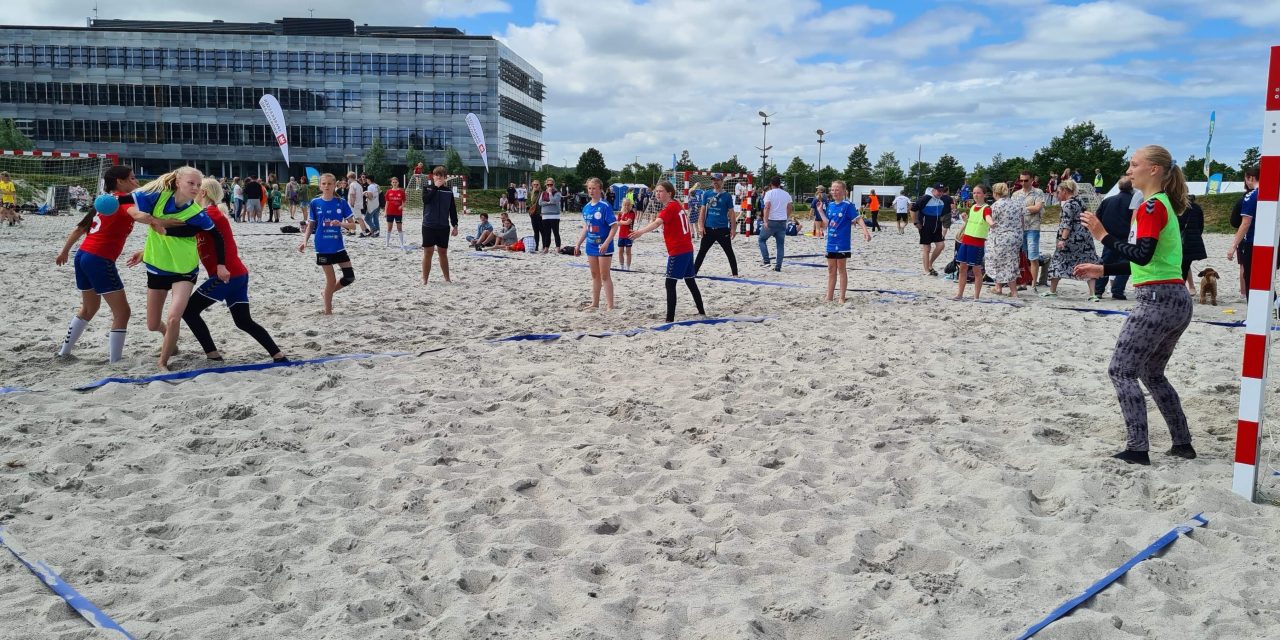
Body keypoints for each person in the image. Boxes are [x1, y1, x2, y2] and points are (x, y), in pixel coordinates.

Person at [1074, 145, 1195, 465]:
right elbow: (1148, 261)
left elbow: (1141, 254)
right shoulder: (1158, 204)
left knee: (1120, 370)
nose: (1129, 170)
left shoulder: (1153, 207)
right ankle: (1182, 444)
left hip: (1157, 300)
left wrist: (1102, 236)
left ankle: (1138, 449)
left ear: (1154, 169)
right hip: (1174, 298)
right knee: (1152, 373)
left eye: (1134, 164)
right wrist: (1104, 269)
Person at [125, 167, 230, 371]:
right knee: (153, 324)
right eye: (191, 183)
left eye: (198, 185)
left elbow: (217, 236)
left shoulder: (196, 213)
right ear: (178, 182)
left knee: (174, 317)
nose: (195, 188)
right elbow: (125, 202)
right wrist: (149, 225)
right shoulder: (158, 197)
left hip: (184, 270)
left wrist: (220, 264)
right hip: (157, 267)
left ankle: (163, 362)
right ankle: (170, 342)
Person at [180, 178, 286, 363]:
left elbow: (182, 229)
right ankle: (278, 355)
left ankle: (212, 355)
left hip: (228, 276)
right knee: (243, 321)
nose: (193, 192)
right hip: (237, 274)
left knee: (188, 311)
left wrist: (157, 222)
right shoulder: (209, 213)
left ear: (203, 193)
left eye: (196, 189)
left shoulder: (209, 214)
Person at [54, 165, 150, 362]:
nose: (136, 181)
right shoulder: (121, 202)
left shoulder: (103, 202)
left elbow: (80, 229)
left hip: (82, 255)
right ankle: (115, 361)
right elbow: (138, 216)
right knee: (122, 312)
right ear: (120, 182)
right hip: (99, 258)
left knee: (89, 308)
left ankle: (64, 352)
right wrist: (159, 222)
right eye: (132, 178)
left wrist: (64, 252)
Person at [631, 181, 706, 322]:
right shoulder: (676, 205)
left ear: (669, 193)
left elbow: (657, 223)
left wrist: (640, 231)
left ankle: (669, 319)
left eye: (660, 191)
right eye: (656, 191)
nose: (657, 194)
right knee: (690, 281)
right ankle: (702, 312)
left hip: (679, 250)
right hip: (687, 248)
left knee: (670, 284)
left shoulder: (671, 207)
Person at [298, 173, 358, 314]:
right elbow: (311, 225)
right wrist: (304, 241)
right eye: (324, 184)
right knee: (331, 280)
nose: (326, 186)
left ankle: (327, 294)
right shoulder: (315, 203)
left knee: (349, 277)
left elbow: (353, 226)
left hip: (338, 246)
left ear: (335, 185)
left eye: (329, 184)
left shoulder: (341, 203)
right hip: (322, 246)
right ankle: (328, 311)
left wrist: (341, 224)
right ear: (320, 186)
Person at [1042, 180, 1099, 300]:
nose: (1057, 195)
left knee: (1058, 261)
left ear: (1065, 191)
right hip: (1084, 236)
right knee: (1088, 262)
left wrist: (1063, 239)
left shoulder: (1068, 204)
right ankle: (1092, 294)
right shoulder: (1080, 201)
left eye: (1058, 192)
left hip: (1071, 238)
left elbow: (1066, 224)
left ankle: (1052, 291)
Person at [818, 181, 871, 303]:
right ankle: (829, 296)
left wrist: (865, 231)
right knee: (831, 269)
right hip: (831, 242)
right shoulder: (830, 205)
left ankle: (841, 297)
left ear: (843, 191)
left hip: (842, 243)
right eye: (833, 189)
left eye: (837, 189)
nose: (834, 192)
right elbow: (827, 222)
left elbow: (858, 218)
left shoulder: (848, 205)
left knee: (841, 269)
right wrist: (820, 211)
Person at [575, 177, 619, 311]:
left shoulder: (605, 206)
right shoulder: (587, 207)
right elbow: (586, 228)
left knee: (605, 275)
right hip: (591, 245)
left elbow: (614, 226)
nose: (591, 191)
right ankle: (595, 303)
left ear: (600, 189)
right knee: (594, 275)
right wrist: (578, 244)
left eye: (594, 188)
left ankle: (610, 306)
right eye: (589, 188)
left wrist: (606, 243)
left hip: (603, 245)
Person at [1092, 177, 1138, 300]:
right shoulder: (1134, 202)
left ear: (1119, 187)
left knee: (1106, 263)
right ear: (1131, 187)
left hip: (1109, 237)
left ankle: (1098, 290)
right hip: (1126, 237)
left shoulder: (1108, 201)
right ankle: (1117, 290)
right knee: (1125, 263)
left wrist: (1103, 231)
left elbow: (1098, 217)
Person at [693, 174, 739, 276]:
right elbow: (702, 211)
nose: (715, 182)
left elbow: (731, 213)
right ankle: (693, 272)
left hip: (722, 229)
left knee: (729, 252)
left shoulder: (727, 196)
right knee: (702, 251)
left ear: (722, 181)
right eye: (713, 180)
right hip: (708, 228)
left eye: (717, 180)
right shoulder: (707, 194)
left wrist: (733, 228)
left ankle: (735, 274)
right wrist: (701, 226)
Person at [984, 182, 1023, 299]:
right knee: (1009, 262)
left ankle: (1014, 291)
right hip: (1016, 237)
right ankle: (998, 287)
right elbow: (1022, 220)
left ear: (996, 193)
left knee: (1005, 263)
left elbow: (992, 221)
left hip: (1001, 238)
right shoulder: (1016, 204)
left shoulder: (996, 205)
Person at [421, 166, 459, 284]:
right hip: (428, 225)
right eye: (436, 175)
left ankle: (447, 278)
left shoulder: (448, 191)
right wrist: (435, 188)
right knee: (428, 252)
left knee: (443, 253)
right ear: (433, 176)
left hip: (443, 226)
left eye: (441, 175)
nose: (438, 177)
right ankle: (425, 279)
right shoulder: (427, 188)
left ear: (444, 177)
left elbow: (452, 209)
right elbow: (426, 200)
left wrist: (455, 225)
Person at [954, 185, 993, 301]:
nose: (976, 195)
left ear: (984, 195)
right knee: (962, 267)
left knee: (976, 269)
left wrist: (991, 223)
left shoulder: (987, 208)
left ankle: (976, 296)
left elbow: (987, 217)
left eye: (979, 193)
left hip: (977, 242)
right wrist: (966, 220)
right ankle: (959, 294)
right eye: (974, 193)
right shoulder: (973, 207)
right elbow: (972, 223)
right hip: (966, 239)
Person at [1228, 167, 1260, 299]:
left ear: (1250, 178)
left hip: (1252, 241)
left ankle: (1253, 311)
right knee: (1264, 277)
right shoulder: (1272, 194)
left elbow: (1245, 223)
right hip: (1269, 241)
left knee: (1250, 277)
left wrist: (1233, 245)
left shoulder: (1251, 196)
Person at [1011, 170, 1046, 291]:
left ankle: (1034, 284)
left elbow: (1037, 208)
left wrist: (1021, 209)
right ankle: (1023, 282)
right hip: (1019, 228)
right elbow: (1012, 211)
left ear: (1032, 180)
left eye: (1026, 180)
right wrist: (1027, 209)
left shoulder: (1038, 192)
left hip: (1032, 227)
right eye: (1021, 180)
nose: (1023, 183)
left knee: (1033, 256)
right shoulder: (1015, 194)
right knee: (1022, 257)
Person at [911, 184, 949, 276]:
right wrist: (915, 222)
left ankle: (930, 264)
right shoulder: (926, 198)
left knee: (941, 245)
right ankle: (926, 270)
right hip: (925, 225)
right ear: (933, 190)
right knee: (927, 248)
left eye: (942, 191)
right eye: (939, 191)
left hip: (937, 225)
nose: (940, 193)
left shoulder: (942, 199)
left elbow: (944, 212)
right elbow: (912, 209)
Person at [757, 176, 792, 271]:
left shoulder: (769, 193)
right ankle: (778, 266)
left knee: (761, 240)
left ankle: (766, 260)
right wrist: (786, 217)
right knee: (780, 245)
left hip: (772, 221)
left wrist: (765, 221)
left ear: (771, 184)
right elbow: (789, 207)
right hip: (782, 222)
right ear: (780, 184)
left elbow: (767, 207)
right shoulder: (786, 194)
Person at [1179, 195, 1207, 296]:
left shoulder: (1178, 207)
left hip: (1181, 240)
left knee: (1180, 267)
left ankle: (1182, 288)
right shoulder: (1197, 207)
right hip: (1193, 241)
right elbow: (1201, 226)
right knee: (1185, 266)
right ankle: (1187, 287)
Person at [538, 177, 563, 253]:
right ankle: (546, 247)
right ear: (546, 185)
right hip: (545, 215)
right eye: (548, 184)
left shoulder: (557, 193)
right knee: (547, 233)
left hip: (554, 215)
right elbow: (540, 203)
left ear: (553, 184)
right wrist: (548, 203)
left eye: (551, 184)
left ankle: (558, 247)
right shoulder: (543, 193)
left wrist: (550, 193)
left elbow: (554, 201)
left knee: (556, 232)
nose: (549, 186)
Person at [384, 176, 407, 249]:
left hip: (398, 213)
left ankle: (402, 244)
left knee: (399, 228)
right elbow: (387, 202)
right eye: (393, 182)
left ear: (398, 183)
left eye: (396, 182)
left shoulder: (401, 192)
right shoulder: (388, 192)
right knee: (389, 228)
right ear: (391, 183)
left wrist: (402, 206)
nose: (394, 183)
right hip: (390, 212)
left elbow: (404, 201)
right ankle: (387, 243)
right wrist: (385, 212)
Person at [345, 171, 370, 237]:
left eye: (348, 178)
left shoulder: (352, 185)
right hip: (359, 203)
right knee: (355, 217)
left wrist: (352, 203)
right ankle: (364, 230)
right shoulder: (359, 185)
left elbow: (352, 194)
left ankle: (363, 232)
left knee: (358, 218)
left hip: (354, 204)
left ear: (350, 177)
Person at [616, 198, 638, 270]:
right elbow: (617, 223)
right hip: (621, 235)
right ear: (622, 205)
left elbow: (627, 222)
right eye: (625, 205)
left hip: (629, 235)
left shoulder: (632, 213)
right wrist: (621, 221)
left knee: (628, 252)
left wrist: (621, 221)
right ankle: (622, 266)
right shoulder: (620, 213)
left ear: (630, 205)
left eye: (628, 205)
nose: (626, 206)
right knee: (620, 251)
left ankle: (628, 267)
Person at [526, 182, 543, 251]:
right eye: (534, 184)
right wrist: (529, 210)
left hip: (540, 214)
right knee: (535, 231)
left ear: (539, 185)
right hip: (533, 214)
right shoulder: (530, 193)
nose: (535, 186)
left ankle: (544, 246)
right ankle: (536, 247)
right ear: (532, 185)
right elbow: (528, 202)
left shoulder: (542, 193)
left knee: (542, 231)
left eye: (537, 184)